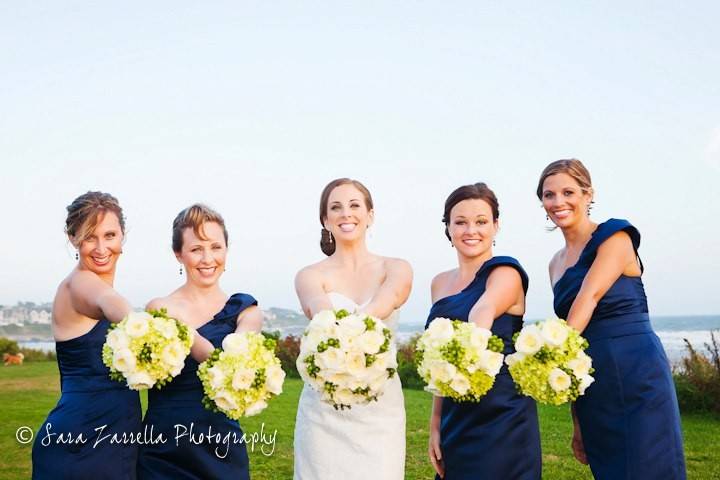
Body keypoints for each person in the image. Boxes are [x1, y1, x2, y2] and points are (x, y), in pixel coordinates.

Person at [539, 159, 686, 479]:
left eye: (568, 192)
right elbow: (575, 339)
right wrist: (577, 420)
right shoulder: (554, 265)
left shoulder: (615, 237)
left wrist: (543, 360)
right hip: (591, 377)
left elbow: (587, 300)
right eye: (549, 195)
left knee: (650, 466)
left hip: (637, 372)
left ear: (588, 194)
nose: (558, 202)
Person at [293, 178, 413, 480]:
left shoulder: (396, 266)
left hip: (380, 412)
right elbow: (318, 309)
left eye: (354, 205)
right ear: (325, 220)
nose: (346, 213)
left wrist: (353, 333)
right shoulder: (309, 274)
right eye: (336, 207)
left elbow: (390, 298)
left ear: (370, 215)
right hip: (323, 412)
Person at [137, 204, 262, 480]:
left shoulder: (245, 310)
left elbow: (234, 362)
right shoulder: (159, 307)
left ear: (226, 250)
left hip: (222, 450)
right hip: (164, 451)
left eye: (216, 247)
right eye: (196, 249)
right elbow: (214, 357)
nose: (208, 258)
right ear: (178, 254)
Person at [426, 183, 541, 479]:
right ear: (448, 228)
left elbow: (483, 310)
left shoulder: (506, 272)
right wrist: (436, 423)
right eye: (460, 222)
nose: (470, 230)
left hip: (502, 414)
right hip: (455, 413)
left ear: (496, 225)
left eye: (481, 221)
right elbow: (438, 360)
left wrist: (470, 349)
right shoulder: (439, 283)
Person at [32, 191, 141, 479]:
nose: (102, 248)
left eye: (109, 235)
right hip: (81, 444)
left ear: (123, 236)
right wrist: (141, 328)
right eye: (90, 236)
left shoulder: (94, 283)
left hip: (115, 438)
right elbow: (109, 303)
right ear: (73, 239)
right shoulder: (80, 284)